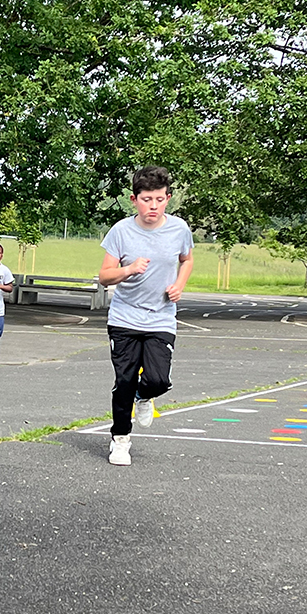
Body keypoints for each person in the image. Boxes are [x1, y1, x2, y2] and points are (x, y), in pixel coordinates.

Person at [98, 165, 193, 466]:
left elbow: (187, 260)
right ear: (134, 199)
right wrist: (128, 269)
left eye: (160, 199)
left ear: (168, 198)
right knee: (123, 380)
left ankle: (145, 395)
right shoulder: (121, 231)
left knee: (158, 380)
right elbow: (104, 276)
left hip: (161, 317)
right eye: (147, 199)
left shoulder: (179, 229)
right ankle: (120, 440)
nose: (153, 206)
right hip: (124, 318)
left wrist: (179, 284)